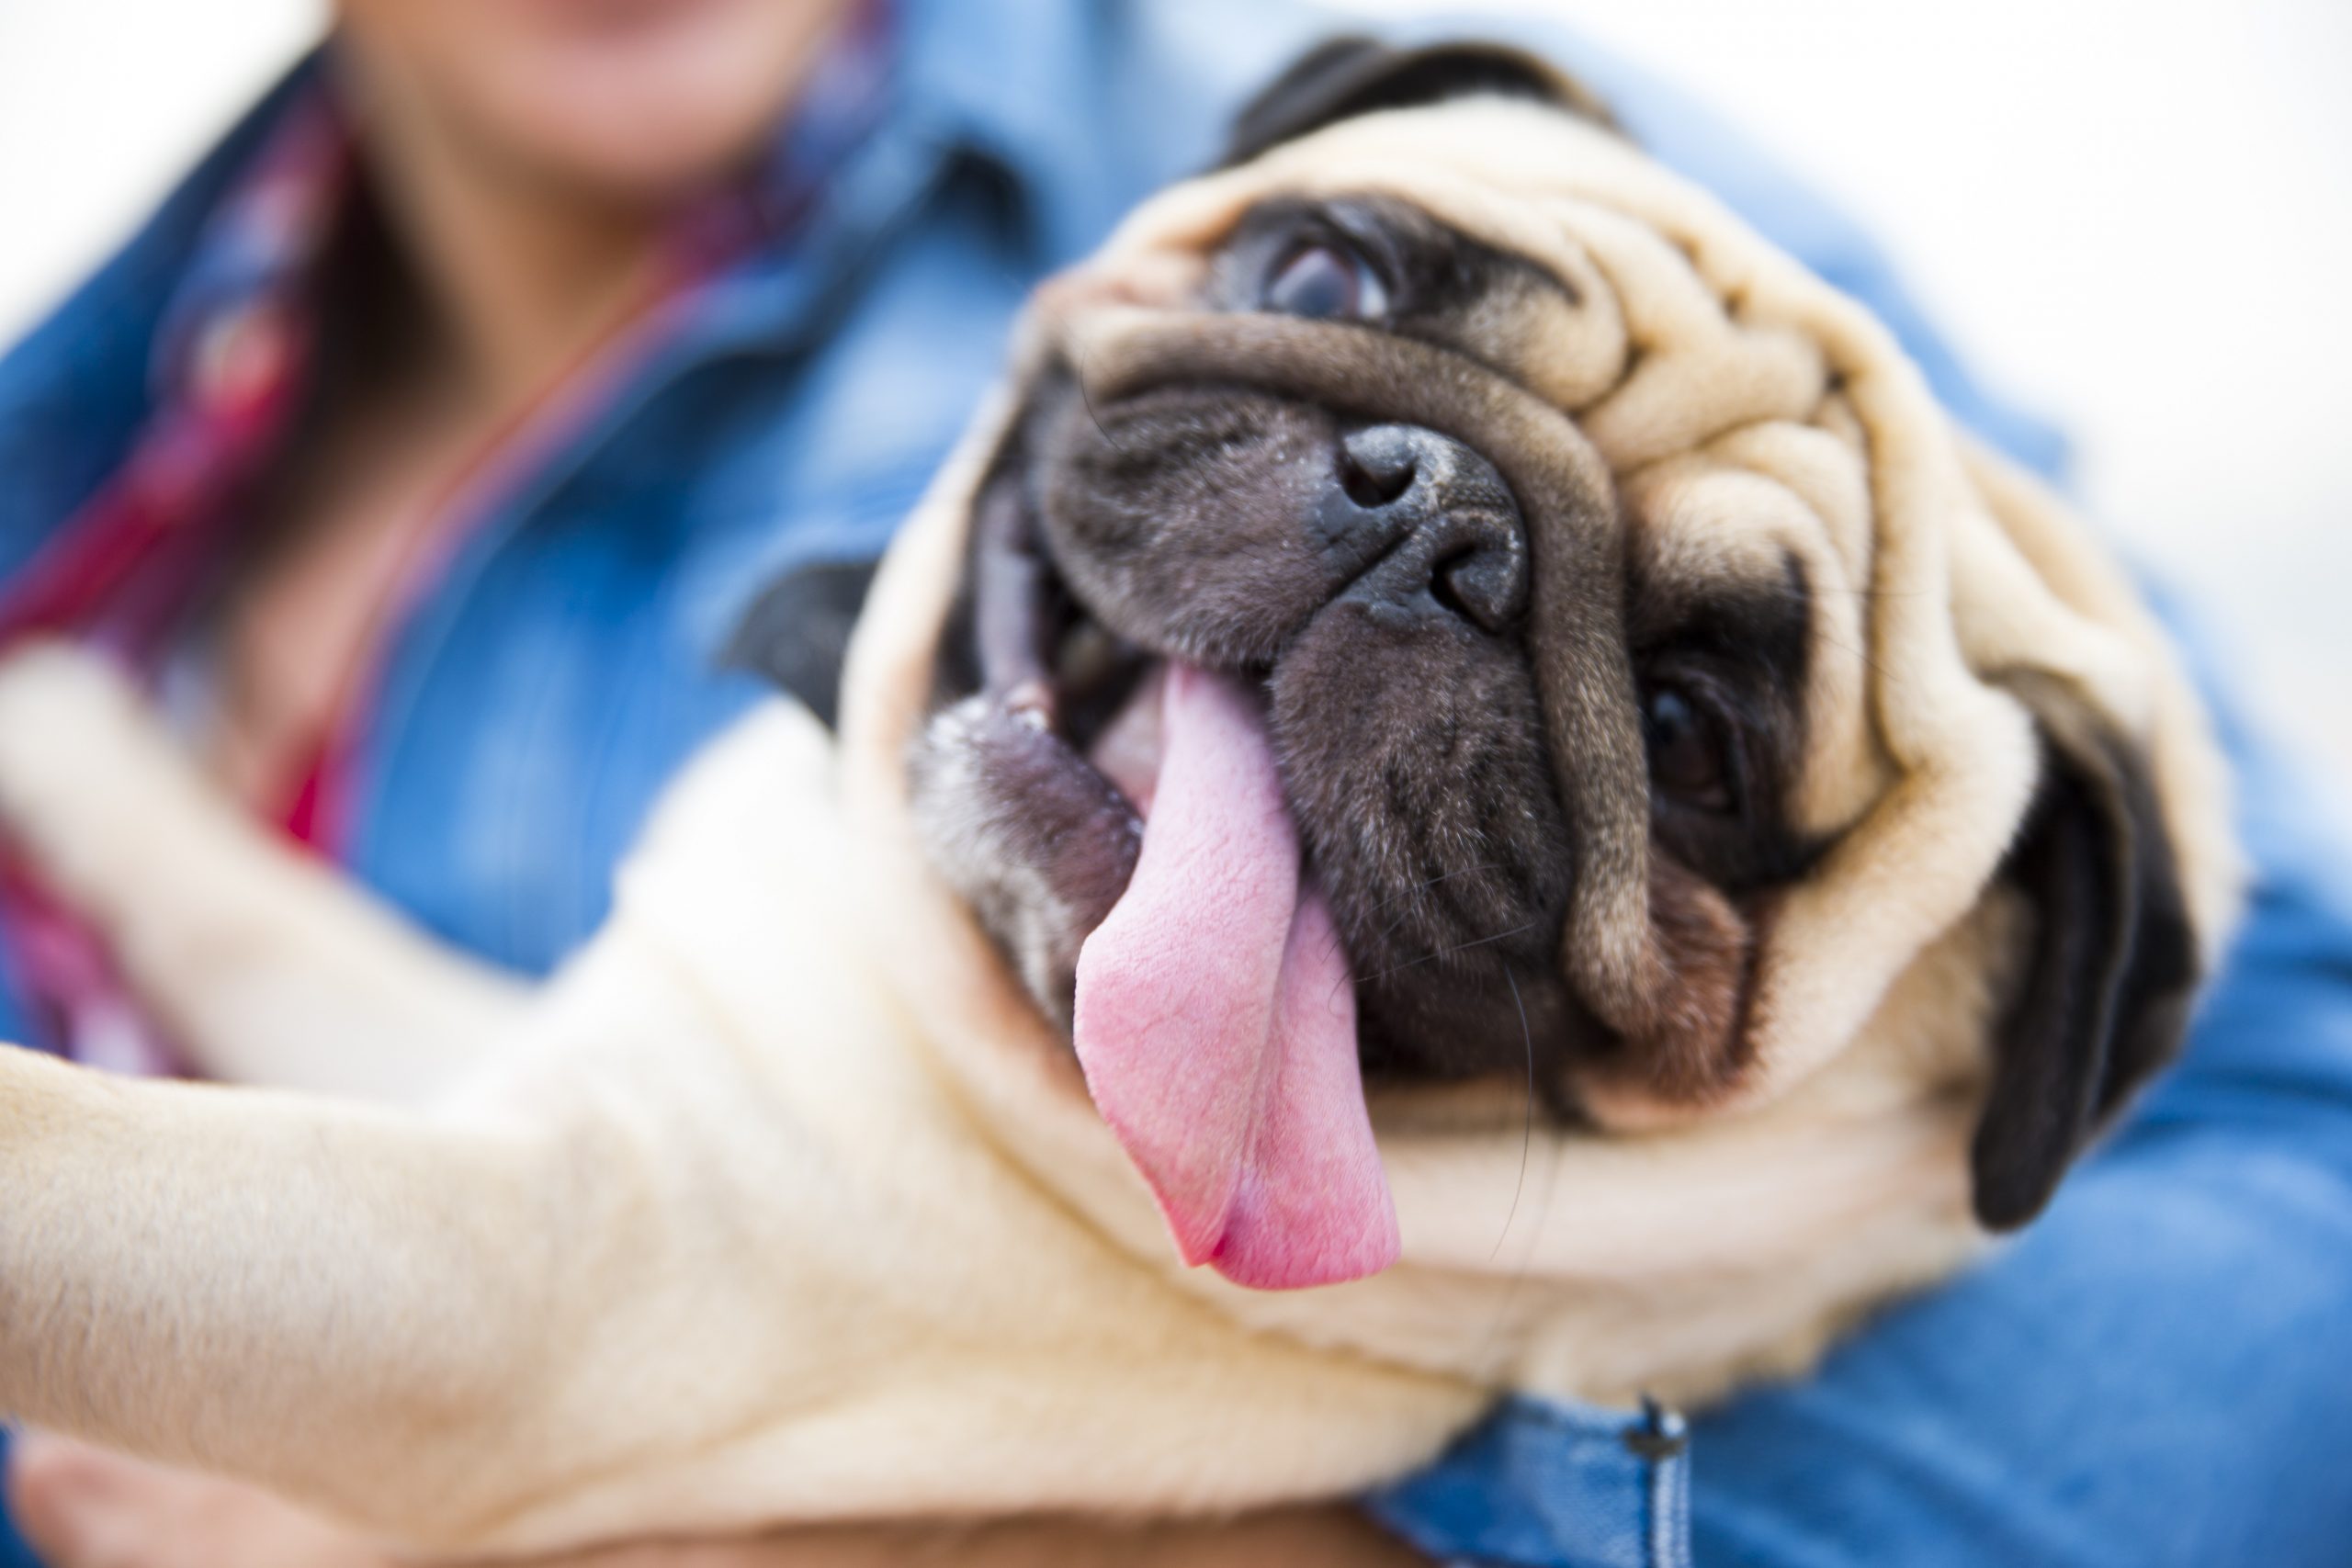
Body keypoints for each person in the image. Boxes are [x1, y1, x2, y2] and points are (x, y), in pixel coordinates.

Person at [2, 2, 2347, 1565]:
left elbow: (2299, 1223)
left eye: (1679, 727)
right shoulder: (70, 452)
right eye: (1343, 299)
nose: (1408, 544)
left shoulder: (1540, 139)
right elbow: (566, 1145)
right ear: (1266, 183)